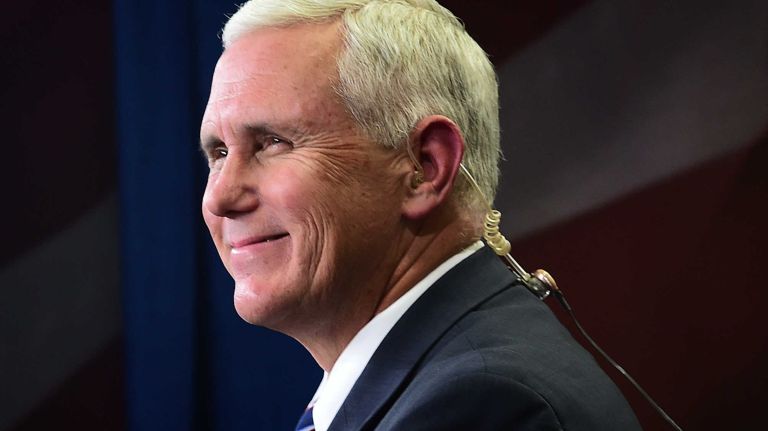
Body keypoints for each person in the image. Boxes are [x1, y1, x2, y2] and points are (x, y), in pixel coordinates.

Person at [200, 1, 642, 429]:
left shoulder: (485, 406)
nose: (220, 197)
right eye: (218, 152)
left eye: (273, 142)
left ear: (424, 168)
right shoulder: (438, 378)